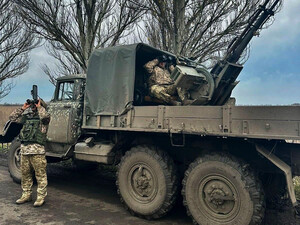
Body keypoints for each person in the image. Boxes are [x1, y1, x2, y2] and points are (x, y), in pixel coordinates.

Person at [9, 99, 50, 207]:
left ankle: (41, 197)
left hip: (37, 151)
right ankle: (26, 195)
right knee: (25, 174)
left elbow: (45, 117)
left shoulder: (44, 118)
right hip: (25, 150)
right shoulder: (27, 118)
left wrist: (40, 107)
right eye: (33, 105)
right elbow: (12, 118)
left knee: (40, 175)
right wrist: (23, 108)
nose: (33, 107)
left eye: (35, 105)